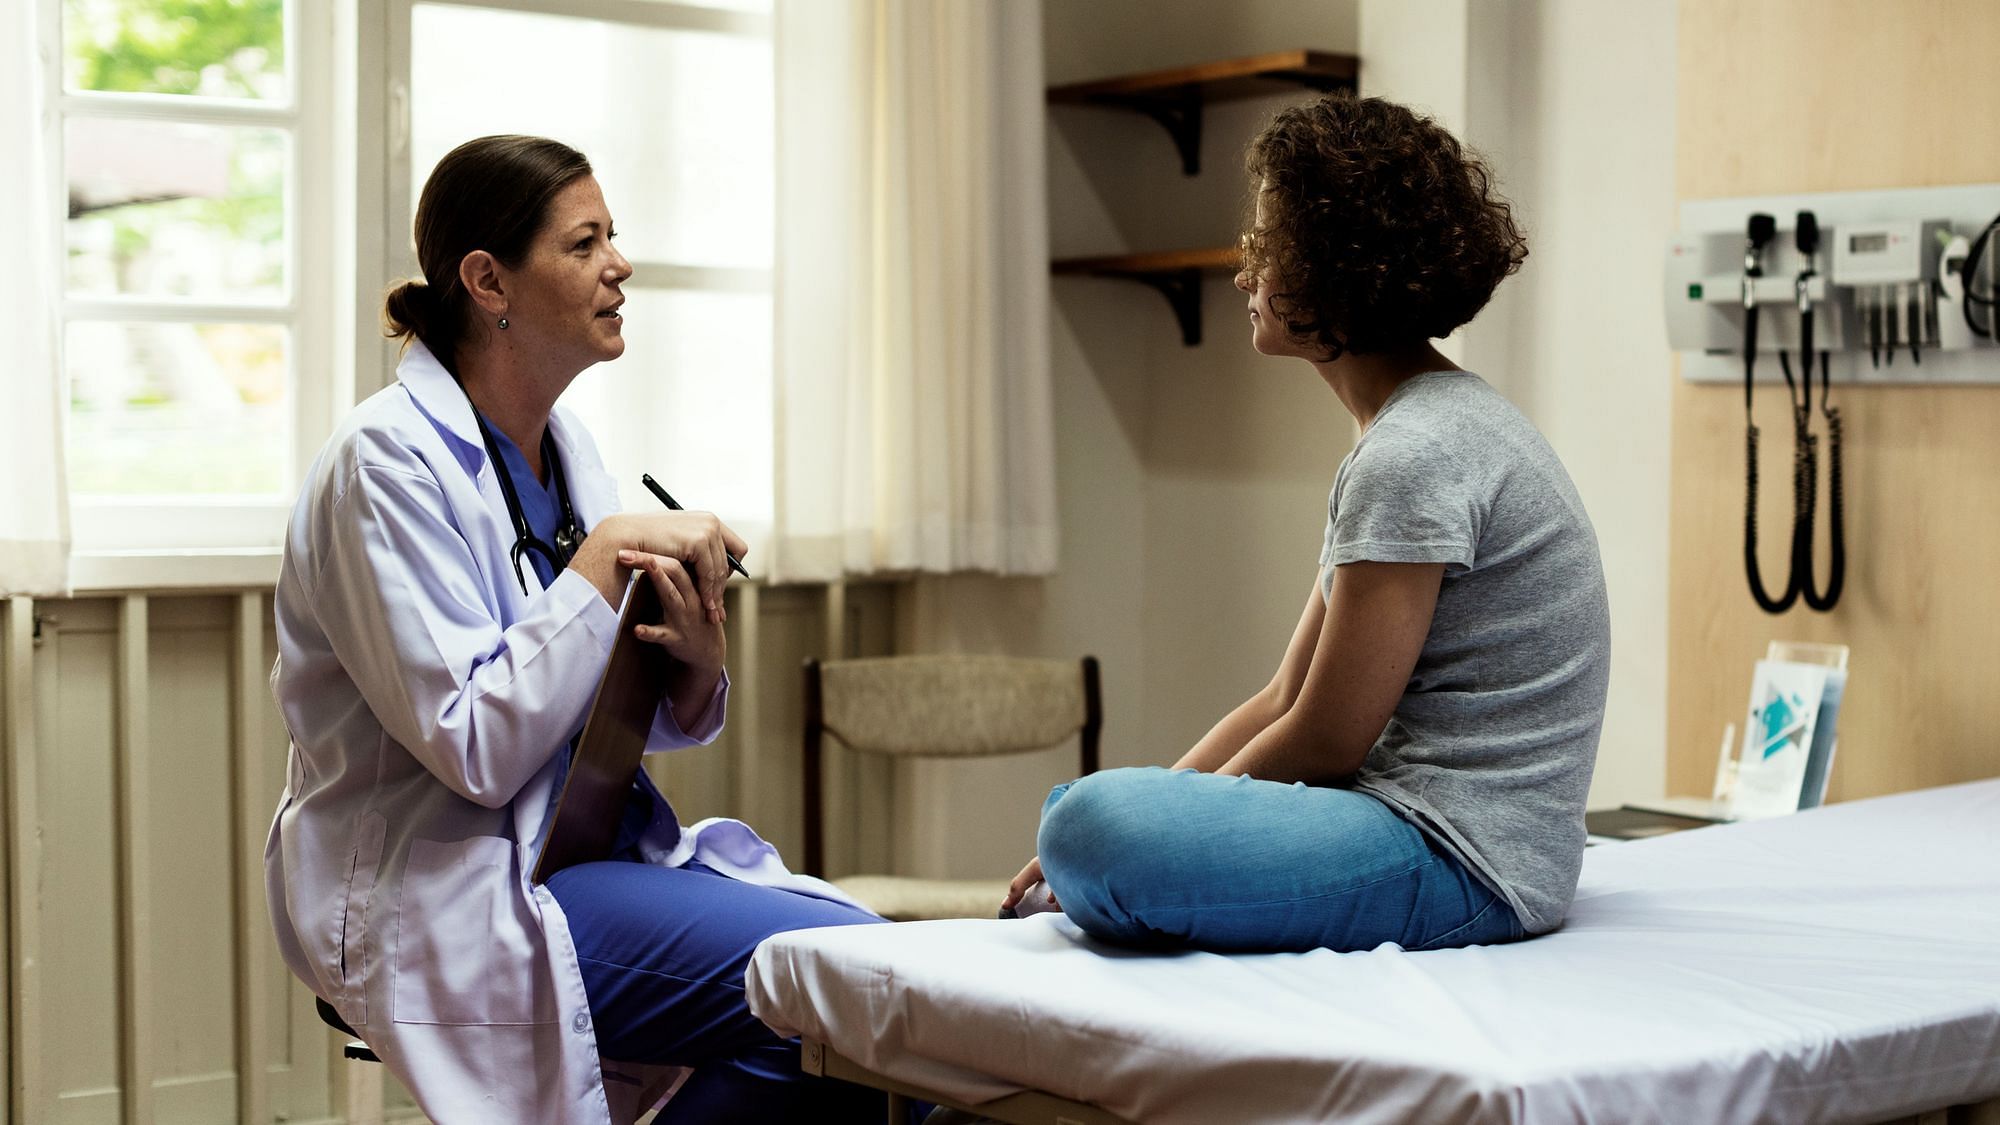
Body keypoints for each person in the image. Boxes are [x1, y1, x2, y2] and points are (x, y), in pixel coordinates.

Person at [265, 135, 888, 1123]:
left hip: (576, 854)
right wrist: (602, 560)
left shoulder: (565, 448)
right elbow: (474, 745)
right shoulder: (383, 466)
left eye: (613, 237)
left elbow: (592, 705)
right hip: (442, 885)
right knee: (854, 999)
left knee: (889, 989)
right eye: (584, 243)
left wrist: (689, 665)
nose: (619, 265)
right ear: (488, 282)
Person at [1004, 94, 1611, 954]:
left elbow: (1328, 738)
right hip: (1436, 832)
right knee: (1096, 818)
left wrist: (1150, 823)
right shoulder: (1414, 432)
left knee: (1088, 823)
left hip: (1466, 859)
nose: (1243, 273)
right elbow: (1285, 697)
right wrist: (1168, 805)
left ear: (1338, 269)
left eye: (1266, 245)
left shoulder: (1414, 454)